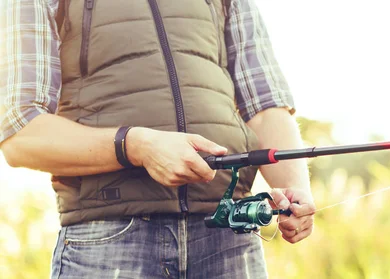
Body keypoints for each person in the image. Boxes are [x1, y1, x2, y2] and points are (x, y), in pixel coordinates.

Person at [0, 0, 315, 278]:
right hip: (109, 239)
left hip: (230, 238)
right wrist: (136, 146)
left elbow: (265, 103)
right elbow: (21, 133)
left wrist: (295, 190)